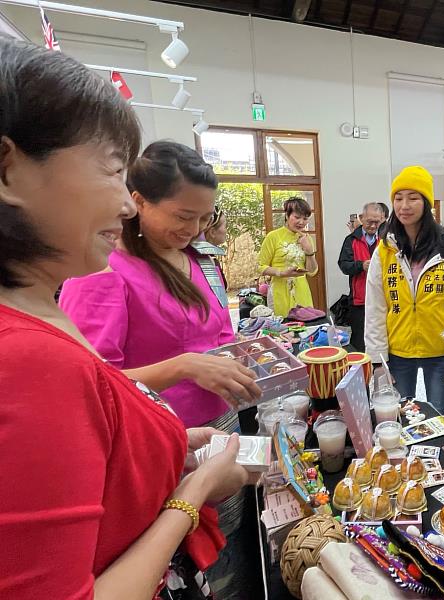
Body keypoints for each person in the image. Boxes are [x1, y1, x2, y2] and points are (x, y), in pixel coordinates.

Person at [0, 38, 254, 599]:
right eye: (112, 171)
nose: (122, 203)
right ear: (9, 169)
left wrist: (168, 443)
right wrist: (193, 494)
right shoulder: (32, 350)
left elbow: (105, 413)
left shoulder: (41, 315)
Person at [59, 141, 261, 599]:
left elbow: (214, 339)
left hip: (221, 426)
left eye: (203, 218)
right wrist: (183, 367)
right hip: (163, 443)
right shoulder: (105, 271)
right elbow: (88, 381)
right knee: (187, 558)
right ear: (138, 200)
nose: (193, 228)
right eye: (181, 215)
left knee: (232, 547)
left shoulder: (196, 262)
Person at [365, 166, 444, 416]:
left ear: (426, 202)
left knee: (438, 414)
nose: (404, 205)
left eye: (413, 198)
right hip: (398, 351)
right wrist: (378, 360)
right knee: (399, 414)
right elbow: (376, 307)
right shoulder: (385, 250)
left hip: (440, 351)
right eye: (398, 198)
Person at [257, 197, 318, 316]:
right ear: (287, 215)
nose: (301, 222)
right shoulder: (273, 237)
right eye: (297, 217)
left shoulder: (307, 238)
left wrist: (309, 251)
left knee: (304, 328)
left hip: (301, 290)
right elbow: (261, 267)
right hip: (279, 290)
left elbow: (312, 272)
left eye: (305, 218)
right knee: (283, 329)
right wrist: (282, 272)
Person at [338, 202, 383, 352]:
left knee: (380, 339)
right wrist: (361, 266)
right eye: (370, 221)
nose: (373, 226)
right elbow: (344, 265)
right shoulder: (351, 240)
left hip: (382, 300)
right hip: (359, 301)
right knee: (359, 341)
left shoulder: (385, 241)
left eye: (377, 222)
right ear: (362, 218)